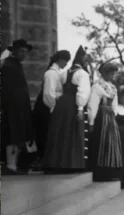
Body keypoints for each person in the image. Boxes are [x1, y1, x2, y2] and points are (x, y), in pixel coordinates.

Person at [42, 46, 91, 172]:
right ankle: (71, 164)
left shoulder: (64, 73)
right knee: (73, 133)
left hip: (62, 104)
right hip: (73, 105)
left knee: (60, 132)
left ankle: (56, 163)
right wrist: (80, 108)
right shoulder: (83, 74)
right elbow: (82, 92)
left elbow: (60, 90)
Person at [1, 39, 36, 174]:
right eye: (21, 51)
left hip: (21, 107)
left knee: (20, 135)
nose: (23, 54)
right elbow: (6, 89)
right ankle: (11, 165)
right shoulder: (8, 66)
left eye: (25, 52)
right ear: (14, 51)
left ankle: (16, 164)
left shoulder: (16, 65)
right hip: (12, 108)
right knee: (12, 135)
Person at [33, 50, 70, 164]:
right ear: (59, 60)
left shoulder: (56, 73)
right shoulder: (51, 74)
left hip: (49, 106)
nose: (66, 64)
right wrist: (54, 109)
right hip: (46, 108)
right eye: (65, 61)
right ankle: (42, 160)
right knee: (44, 134)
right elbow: (48, 94)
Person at [87, 62, 122, 182]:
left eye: (114, 73)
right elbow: (92, 105)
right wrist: (91, 122)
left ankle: (109, 172)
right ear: (105, 73)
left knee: (110, 144)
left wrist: (114, 115)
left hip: (110, 119)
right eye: (111, 73)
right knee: (101, 143)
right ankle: (99, 172)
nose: (114, 76)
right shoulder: (97, 86)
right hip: (100, 118)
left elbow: (115, 105)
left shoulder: (113, 88)